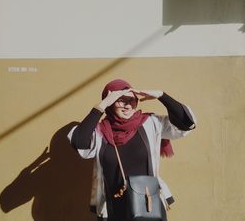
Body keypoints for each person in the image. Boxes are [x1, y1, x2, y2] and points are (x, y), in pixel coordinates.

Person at [68, 79, 196, 221]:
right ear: (110, 102)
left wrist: (161, 95)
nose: (128, 105)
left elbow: (187, 123)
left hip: (147, 206)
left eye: (132, 100)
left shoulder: (150, 123)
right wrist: (101, 105)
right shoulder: (99, 131)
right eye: (121, 100)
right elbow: (79, 142)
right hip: (113, 209)